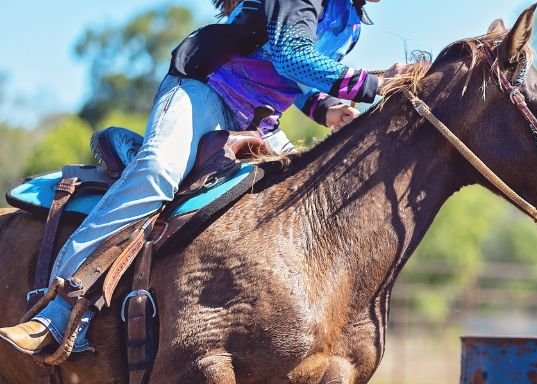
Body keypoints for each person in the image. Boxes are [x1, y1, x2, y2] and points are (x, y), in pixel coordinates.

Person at [0, 0, 401, 356]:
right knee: (158, 173)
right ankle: (56, 305)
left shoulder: (349, 19)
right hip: (204, 90)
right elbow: (290, 55)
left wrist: (325, 108)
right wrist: (372, 85)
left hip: (256, 120)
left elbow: (290, 75)